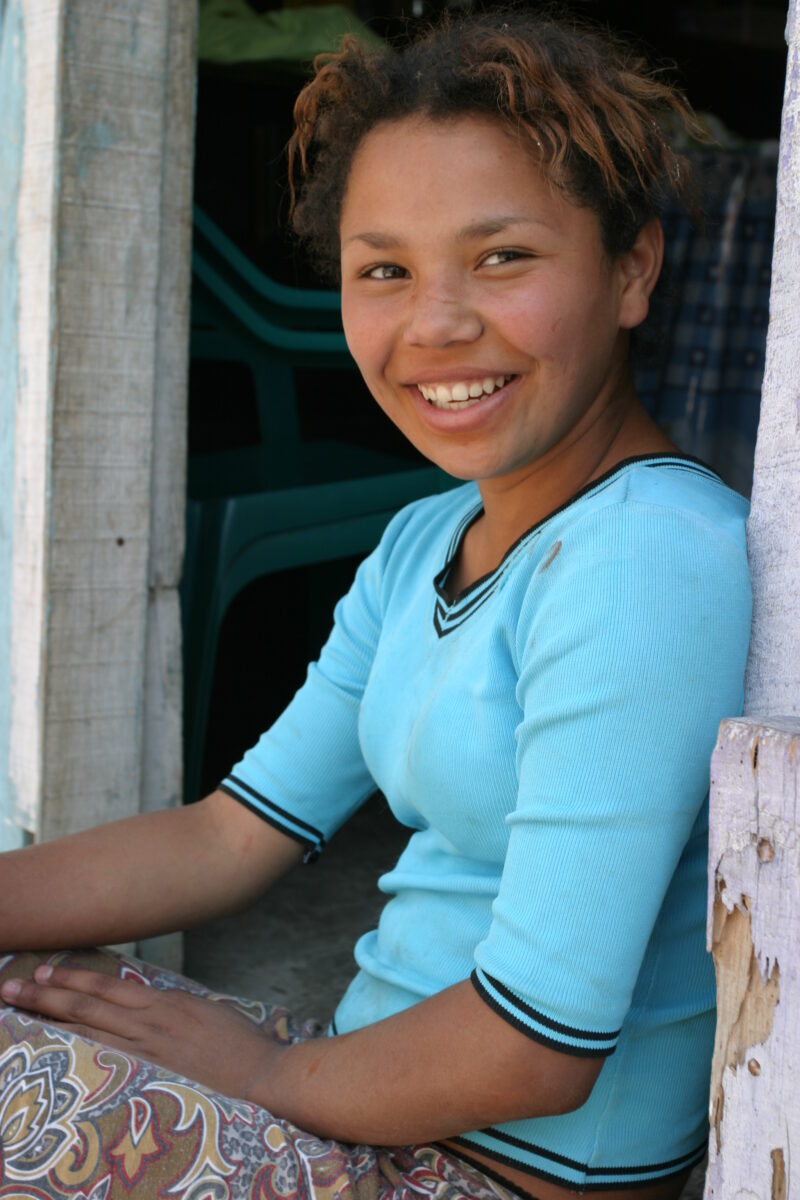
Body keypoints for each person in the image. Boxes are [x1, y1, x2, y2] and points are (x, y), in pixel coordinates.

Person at [0, 11, 751, 1200]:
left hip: (494, 1174)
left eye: (500, 257)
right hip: (365, 1103)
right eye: (383, 270)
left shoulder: (645, 559)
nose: (434, 323)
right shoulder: (423, 544)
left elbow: (537, 1047)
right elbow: (225, 835)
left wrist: (266, 1075)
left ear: (631, 269)